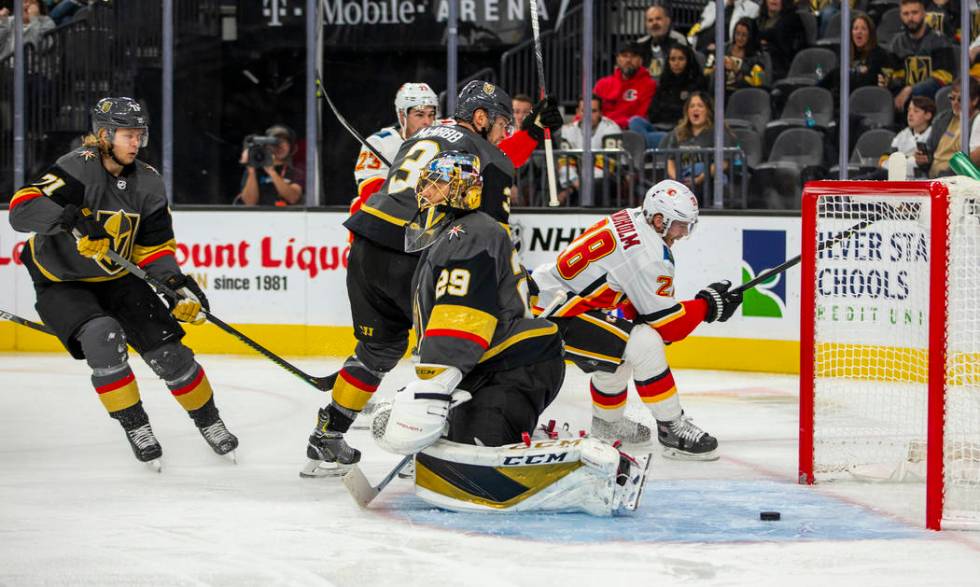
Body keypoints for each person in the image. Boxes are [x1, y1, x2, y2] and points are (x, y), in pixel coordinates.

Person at [299, 81, 562, 478]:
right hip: (417, 250)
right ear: (480, 118)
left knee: (377, 351)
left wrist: (529, 133)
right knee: (456, 344)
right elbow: (485, 231)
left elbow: (483, 154)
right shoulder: (488, 155)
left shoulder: (422, 133)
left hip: (368, 246)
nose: (505, 132)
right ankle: (431, 440)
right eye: (503, 124)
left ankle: (327, 435)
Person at [377, 151, 648, 516]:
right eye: (428, 182)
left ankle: (595, 469)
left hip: (510, 365)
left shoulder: (469, 231)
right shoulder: (456, 235)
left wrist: (434, 387)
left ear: (462, 190)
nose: (427, 191)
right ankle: (529, 439)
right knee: (457, 443)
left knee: (479, 450)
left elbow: (462, 316)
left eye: (439, 183)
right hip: (493, 366)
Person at [6, 97, 238, 470]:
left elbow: (154, 248)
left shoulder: (149, 181)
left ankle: (210, 422)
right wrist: (75, 221)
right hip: (61, 282)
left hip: (118, 278)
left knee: (170, 353)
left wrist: (178, 285)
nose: (136, 143)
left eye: (139, 135)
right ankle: (137, 427)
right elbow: (21, 209)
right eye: (128, 135)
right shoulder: (76, 168)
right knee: (103, 335)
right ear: (104, 135)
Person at [530, 179, 743, 460]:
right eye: (680, 224)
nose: (683, 233)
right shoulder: (649, 254)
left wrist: (698, 307)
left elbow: (632, 298)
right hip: (555, 314)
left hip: (550, 300)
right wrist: (707, 306)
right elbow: (667, 326)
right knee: (645, 344)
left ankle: (607, 425)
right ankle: (672, 428)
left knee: (620, 347)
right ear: (658, 219)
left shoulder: (631, 217)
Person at [349, 83, 439, 218]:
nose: (427, 121)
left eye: (431, 115)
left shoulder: (441, 139)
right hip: (379, 222)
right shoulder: (380, 143)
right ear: (402, 115)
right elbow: (369, 191)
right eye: (419, 115)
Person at [630, 43, 710, 149]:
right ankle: (652, 145)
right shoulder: (664, 83)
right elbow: (653, 112)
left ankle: (642, 145)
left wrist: (666, 109)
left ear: (688, 60)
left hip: (680, 131)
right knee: (635, 121)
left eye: (681, 59)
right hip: (658, 128)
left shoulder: (697, 84)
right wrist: (673, 109)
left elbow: (688, 114)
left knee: (662, 137)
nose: (676, 63)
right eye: (672, 59)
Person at [662, 92, 737, 195]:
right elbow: (670, 161)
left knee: (699, 167)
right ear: (687, 111)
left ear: (708, 111)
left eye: (700, 106)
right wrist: (677, 180)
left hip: (708, 180)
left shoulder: (719, 132)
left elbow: (723, 163)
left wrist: (699, 179)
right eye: (692, 106)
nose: (695, 109)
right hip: (681, 180)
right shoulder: (678, 132)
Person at [887, 0, 954, 112]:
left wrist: (911, 90)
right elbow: (894, 75)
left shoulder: (940, 40)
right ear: (900, 16)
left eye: (914, 12)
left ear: (924, 13)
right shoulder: (896, 43)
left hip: (932, 103)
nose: (910, 18)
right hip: (904, 103)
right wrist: (887, 81)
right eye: (906, 14)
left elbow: (944, 78)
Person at [557, 95, 621, 205]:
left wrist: (582, 185)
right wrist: (574, 181)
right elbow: (565, 162)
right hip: (577, 180)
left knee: (596, 186)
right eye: (584, 111)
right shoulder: (567, 130)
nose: (588, 115)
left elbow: (607, 164)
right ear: (577, 112)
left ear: (600, 112)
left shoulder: (611, 128)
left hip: (609, 178)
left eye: (593, 111)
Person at [858, 95, 934, 180]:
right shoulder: (902, 135)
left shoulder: (934, 135)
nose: (910, 114)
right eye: (909, 110)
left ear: (928, 115)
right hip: (893, 176)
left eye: (916, 111)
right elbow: (884, 161)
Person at [818, 12, 892, 99]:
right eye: (855, 28)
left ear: (870, 33)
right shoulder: (846, 54)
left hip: (869, 101)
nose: (859, 32)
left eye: (863, 29)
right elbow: (834, 76)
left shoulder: (879, 54)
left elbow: (867, 82)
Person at [918, 77, 980, 177]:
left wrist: (944, 175)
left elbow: (972, 162)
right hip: (931, 177)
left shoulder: (977, 121)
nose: (955, 103)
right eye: (952, 98)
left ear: (975, 100)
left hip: (954, 180)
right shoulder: (942, 118)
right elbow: (930, 150)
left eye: (960, 99)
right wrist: (923, 160)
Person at [593, 41, 657, 130]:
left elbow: (640, 118)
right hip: (600, 130)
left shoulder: (649, 85)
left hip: (629, 132)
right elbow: (588, 111)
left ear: (640, 60)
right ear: (618, 59)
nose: (628, 60)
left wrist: (610, 124)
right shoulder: (603, 84)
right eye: (624, 56)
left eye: (633, 56)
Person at [236, 124, 305, 206]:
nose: (279, 146)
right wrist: (251, 172)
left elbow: (293, 198)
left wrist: (272, 172)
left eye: (284, 142)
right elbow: (250, 203)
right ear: (267, 146)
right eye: (275, 142)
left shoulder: (296, 171)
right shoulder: (255, 169)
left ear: (291, 147)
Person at [636, 4, 689, 81]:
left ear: (667, 21)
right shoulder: (641, 43)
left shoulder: (678, 39)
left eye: (658, 19)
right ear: (646, 24)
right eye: (650, 20)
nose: (654, 23)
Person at [757, 0, 805, 82]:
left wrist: (761, 38)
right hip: (760, 62)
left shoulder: (792, 17)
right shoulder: (761, 19)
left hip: (782, 65)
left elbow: (779, 35)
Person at [687, 0, 760, 53]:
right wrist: (691, 38)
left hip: (719, 51)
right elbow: (700, 24)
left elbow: (745, 36)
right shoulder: (715, 3)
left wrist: (720, 47)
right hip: (697, 44)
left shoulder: (751, 8)